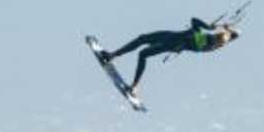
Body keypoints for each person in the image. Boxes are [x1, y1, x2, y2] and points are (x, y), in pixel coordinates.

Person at [98, 17, 239, 96]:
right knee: (142, 39)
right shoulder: (210, 39)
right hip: (169, 35)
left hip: (170, 44)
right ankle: (112, 55)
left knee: (143, 54)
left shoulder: (207, 44)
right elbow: (196, 22)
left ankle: (134, 86)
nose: (215, 37)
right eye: (216, 35)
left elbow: (195, 24)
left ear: (218, 42)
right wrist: (222, 28)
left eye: (217, 38)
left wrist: (211, 27)